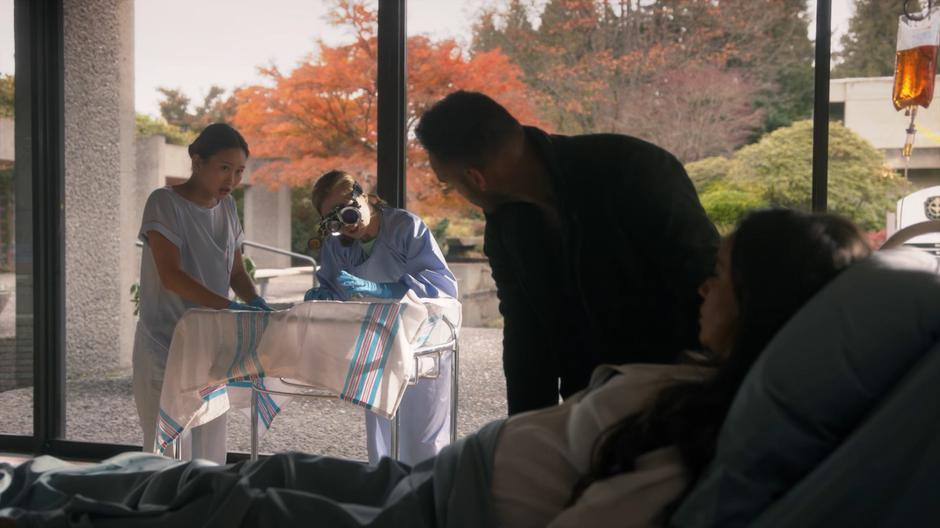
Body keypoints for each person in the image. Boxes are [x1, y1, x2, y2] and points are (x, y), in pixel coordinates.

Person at [0, 209, 871, 527]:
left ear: (760, 300)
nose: (700, 287)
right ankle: (46, 481)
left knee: (234, 499)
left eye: (718, 276)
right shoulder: (701, 385)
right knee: (266, 469)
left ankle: (34, 492)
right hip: (457, 482)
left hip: (454, 506)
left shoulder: (709, 428)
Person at [414, 90, 721, 415]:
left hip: (681, 399)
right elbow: (525, 335)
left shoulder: (633, 170)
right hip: (590, 407)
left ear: (476, 177)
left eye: (449, 183)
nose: (456, 193)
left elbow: (709, 285)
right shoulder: (506, 225)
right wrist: (527, 430)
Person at [133, 123, 272, 465]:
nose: (232, 180)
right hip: (165, 339)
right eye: (224, 168)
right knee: (168, 447)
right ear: (197, 161)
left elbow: (237, 272)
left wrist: (254, 302)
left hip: (211, 344)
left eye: (239, 171)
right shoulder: (164, 203)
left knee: (210, 447)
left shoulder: (227, 209)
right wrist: (229, 307)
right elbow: (171, 276)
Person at [303, 170, 458, 465]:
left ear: (362, 194)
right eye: (334, 220)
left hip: (423, 344)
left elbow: (441, 286)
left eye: (347, 211)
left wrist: (388, 289)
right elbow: (333, 287)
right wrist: (323, 296)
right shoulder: (336, 244)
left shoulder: (405, 227)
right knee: (382, 435)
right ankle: (389, 502)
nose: (347, 224)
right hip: (376, 346)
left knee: (423, 436)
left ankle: (430, 501)